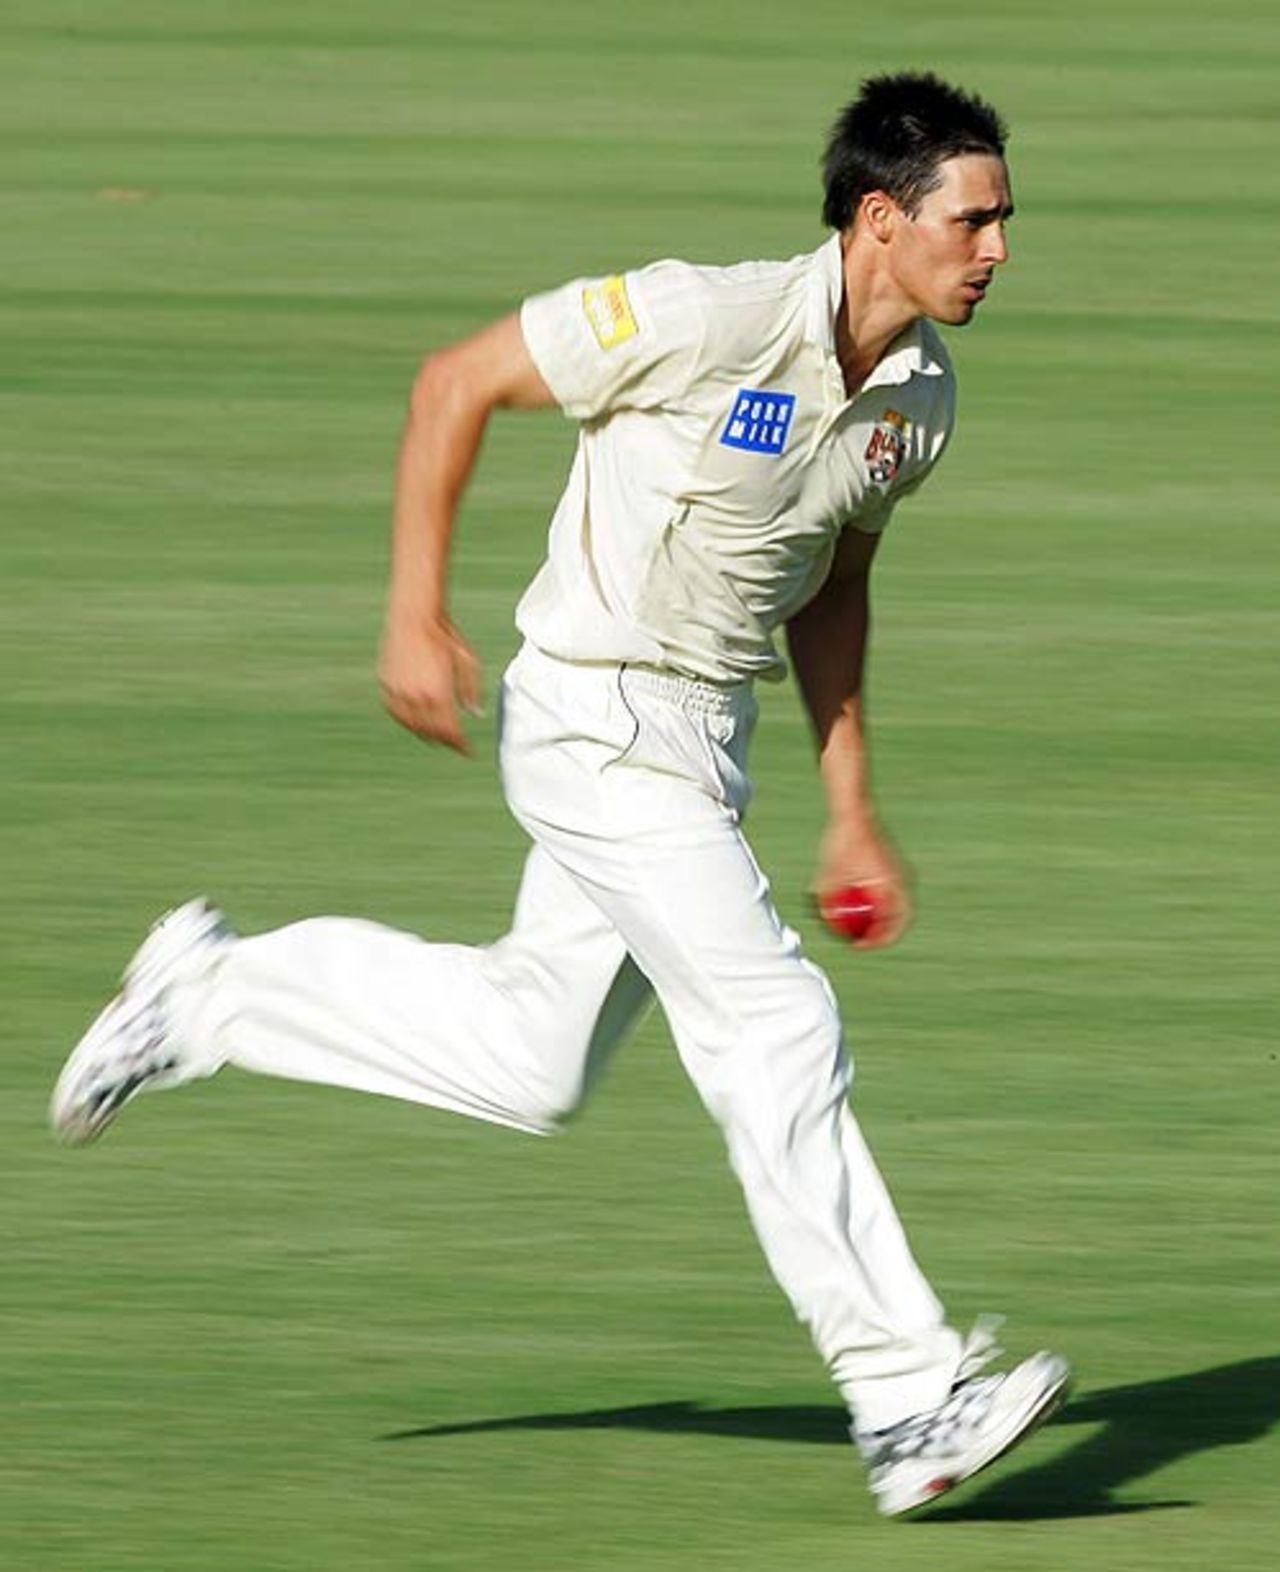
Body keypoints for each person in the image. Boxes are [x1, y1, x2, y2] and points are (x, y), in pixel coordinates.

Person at [51, 71, 1070, 1517]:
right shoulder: (703, 316)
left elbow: (834, 590)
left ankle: (205, 996)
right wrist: (415, 612)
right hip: (593, 712)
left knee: (532, 1061)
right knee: (772, 1019)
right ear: (880, 217)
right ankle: (908, 1398)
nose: (1000, 249)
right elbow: (454, 382)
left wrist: (851, 804)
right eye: (976, 220)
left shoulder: (921, 401)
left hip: (705, 739)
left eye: (1007, 220)